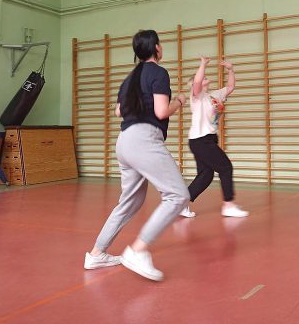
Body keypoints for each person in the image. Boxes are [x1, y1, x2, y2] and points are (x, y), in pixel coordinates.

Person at [84, 30, 190, 281]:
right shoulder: (159, 73)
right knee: (178, 195)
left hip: (124, 142)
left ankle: (96, 254)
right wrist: (180, 100)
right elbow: (162, 112)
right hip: (144, 140)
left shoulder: (129, 78)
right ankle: (138, 250)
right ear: (157, 48)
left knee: (129, 202)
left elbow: (118, 111)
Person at [179, 56, 249, 218]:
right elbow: (197, 82)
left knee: (206, 175)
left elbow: (230, 87)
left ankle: (181, 204)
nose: (205, 77)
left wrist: (231, 70)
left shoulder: (214, 95)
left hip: (208, 139)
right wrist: (202, 64)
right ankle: (228, 205)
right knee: (225, 167)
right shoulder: (196, 97)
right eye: (202, 77)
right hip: (200, 140)